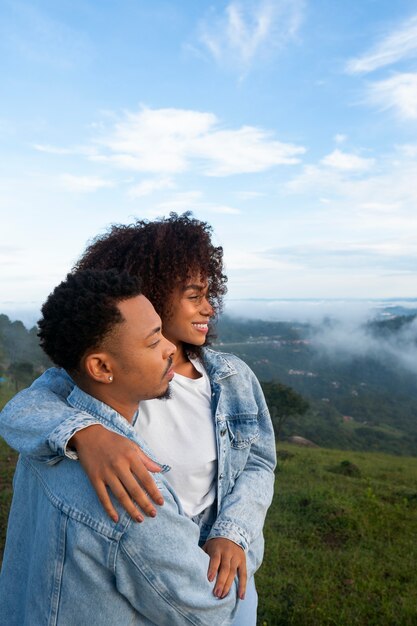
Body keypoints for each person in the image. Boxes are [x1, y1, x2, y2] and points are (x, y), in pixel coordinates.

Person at [0, 213, 276, 625]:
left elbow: (258, 460)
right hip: (146, 557)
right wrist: (87, 434)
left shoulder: (232, 379)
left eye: (209, 292)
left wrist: (232, 532)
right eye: (194, 295)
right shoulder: (111, 380)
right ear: (156, 295)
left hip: (223, 563)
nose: (209, 307)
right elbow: (21, 412)